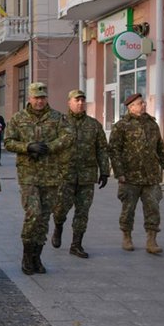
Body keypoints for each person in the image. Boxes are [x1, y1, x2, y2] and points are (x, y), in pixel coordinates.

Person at [4, 82, 72, 275]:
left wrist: (49, 147)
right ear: (30, 98)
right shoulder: (19, 118)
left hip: (51, 175)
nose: (40, 101)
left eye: (42, 97)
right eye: (36, 97)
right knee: (33, 213)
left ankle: (37, 257)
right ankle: (26, 255)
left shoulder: (57, 118)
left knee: (43, 218)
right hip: (28, 175)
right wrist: (28, 147)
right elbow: (8, 141)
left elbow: (68, 138)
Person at [109, 93, 164, 254]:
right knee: (128, 209)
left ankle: (152, 240)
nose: (143, 105)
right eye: (140, 103)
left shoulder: (152, 124)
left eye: (143, 103)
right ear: (131, 107)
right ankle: (127, 237)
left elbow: (159, 146)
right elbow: (114, 151)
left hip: (151, 176)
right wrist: (119, 172)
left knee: (153, 208)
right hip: (130, 176)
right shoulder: (121, 125)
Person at [52, 89, 110, 258]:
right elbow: (52, 147)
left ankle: (76, 244)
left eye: (83, 100)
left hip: (86, 176)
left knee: (82, 212)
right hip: (65, 175)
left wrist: (105, 171)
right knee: (61, 209)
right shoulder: (59, 123)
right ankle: (58, 226)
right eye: (76, 100)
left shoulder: (94, 125)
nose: (80, 103)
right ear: (69, 102)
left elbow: (102, 150)